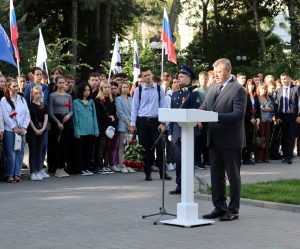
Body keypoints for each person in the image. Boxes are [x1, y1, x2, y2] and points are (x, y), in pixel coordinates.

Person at [200, 58, 247, 221]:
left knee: (233, 176)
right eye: (214, 72)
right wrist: (195, 117)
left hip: (231, 140)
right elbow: (203, 108)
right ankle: (219, 206)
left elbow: (238, 114)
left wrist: (214, 117)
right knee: (216, 175)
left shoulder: (238, 89)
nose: (216, 75)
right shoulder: (212, 88)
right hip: (214, 139)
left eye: (218, 72)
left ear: (228, 70)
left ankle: (233, 209)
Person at [130, 67, 172, 181]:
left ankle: (163, 172)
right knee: (146, 148)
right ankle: (147, 173)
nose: (147, 77)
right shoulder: (138, 90)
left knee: (159, 147)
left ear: (152, 75)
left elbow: (163, 106)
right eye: (144, 76)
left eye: (148, 75)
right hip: (142, 121)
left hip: (156, 122)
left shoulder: (159, 89)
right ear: (142, 78)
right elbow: (134, 108)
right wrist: (133, 124)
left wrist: (163, 122)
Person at [169, 65, 203, 194]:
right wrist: (171, 132)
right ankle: (179, 185)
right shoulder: (175, 94)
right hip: (177, 131)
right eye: (178, 77)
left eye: (182, 76)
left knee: (189, 159)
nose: (179, 79)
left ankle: (189, 185)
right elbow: (172, 114)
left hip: (189, 130)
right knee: (178, 159)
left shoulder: (194, 94)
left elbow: (195, 111)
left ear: (189, 78)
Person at [1, 78, 30, 183]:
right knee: (11, 153)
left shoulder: (22, 99)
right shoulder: (4, 100)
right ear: (8, 88)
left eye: (17, 86)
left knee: (20, 152)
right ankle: (9, 175)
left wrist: (24, 127)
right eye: (14, 86)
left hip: (22, 131)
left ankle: (17, 174)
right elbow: (6, 116)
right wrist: (14, 128)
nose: (16, 88)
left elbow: (27, 114)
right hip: (10, 130)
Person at [48, 76, 73, 177]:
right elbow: (50, 111)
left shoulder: (68, 96)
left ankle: (63, 167)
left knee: (64, 144)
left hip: (66, 120)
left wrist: (68, 115)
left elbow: (71, 109)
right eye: (60, 83)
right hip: (56, 121)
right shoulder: (52, 96)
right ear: (56, 83)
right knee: (56, 145)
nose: (62, 84)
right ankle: (57, 168)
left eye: (64, 83)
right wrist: (57, 122)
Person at [72, 83, 99, 175]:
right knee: (80, 151)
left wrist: (96, 130)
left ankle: (87, 167)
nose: (87, 92)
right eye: (85, 90)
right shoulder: (76, 102)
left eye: (88, 90)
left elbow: (94, 116)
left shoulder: (91, 102)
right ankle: (81, 168)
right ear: (81, 91)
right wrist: (76, 131)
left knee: (89, 150)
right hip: (81, 131)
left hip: (90, 130)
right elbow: (75, 118)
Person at [274, 73, 300, 164]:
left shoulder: (296, 88)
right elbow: (276, 104)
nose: (283, 81)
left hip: (293, 116)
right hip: (283, 116)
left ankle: (289, 156)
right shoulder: (279, 90)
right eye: (282, 79)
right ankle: (285, 156)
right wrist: (277, 117)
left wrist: (299, 115)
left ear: (289, 79)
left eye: (285, 79)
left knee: (291, 136)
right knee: (284, 137)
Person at [94, 81, 117, 174]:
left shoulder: (111, 100)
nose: (107, 89)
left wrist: (113, 117)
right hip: (102, 126)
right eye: (105, 87)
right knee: (101, 147)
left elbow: (115, 113)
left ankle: (106, 166)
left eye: (109, 87)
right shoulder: (98, 100)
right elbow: (98, 115)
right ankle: (101, 166)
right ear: (101, 89)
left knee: (108, 147)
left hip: (110, 126)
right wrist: (108, 118)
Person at [27, 86, 49, 180]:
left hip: (42, 129)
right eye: (36, 93)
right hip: (32, 130)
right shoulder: (29, 105)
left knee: (40, 151)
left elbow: (46, 118)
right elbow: (29, 119)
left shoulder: (44, 105)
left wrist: (43, 128)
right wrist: (35, 129)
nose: (38, 95)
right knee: (33, 151)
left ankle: (39, 170)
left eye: (40, 93)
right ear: (32, 94)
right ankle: (33, 172)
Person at [115, 81, 135, 173]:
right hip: (124, 124)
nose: (126, 89)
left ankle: (129, 164)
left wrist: (133, 124)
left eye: (127, 87)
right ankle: (122, 165)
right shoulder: (118, 99)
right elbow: (120, 113)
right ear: (120, 88)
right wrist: (128, 123)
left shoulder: (131, 99)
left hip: (132, 125)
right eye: (124, 87)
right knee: (122, 146)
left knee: (129, 146)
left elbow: (134, 112)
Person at [243, 79, 261, 164]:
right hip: (246, 121)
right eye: (250, 85)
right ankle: (245, 158)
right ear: (247, 86)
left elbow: (257, 110)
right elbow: (243, 111)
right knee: (246, 140)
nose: (251, 86)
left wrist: (258, 118)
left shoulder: (255, 96)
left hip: (254, 121)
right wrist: (250, 118)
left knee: (251, 140)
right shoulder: (244, 96)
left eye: (253, 85)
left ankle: (248, 157)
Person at [255, 84, 273, 163]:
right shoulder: (257, 98)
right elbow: (255, 109)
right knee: (260, 138)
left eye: (265, 89)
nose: (264, 90)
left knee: (267, 138)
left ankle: (266, 157)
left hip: (268, 120)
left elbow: (272, 107)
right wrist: (262, 108)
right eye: (262, 89)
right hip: (260, 120)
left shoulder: (268, 97)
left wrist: (269, 109)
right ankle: (259, 157)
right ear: (258, 89)